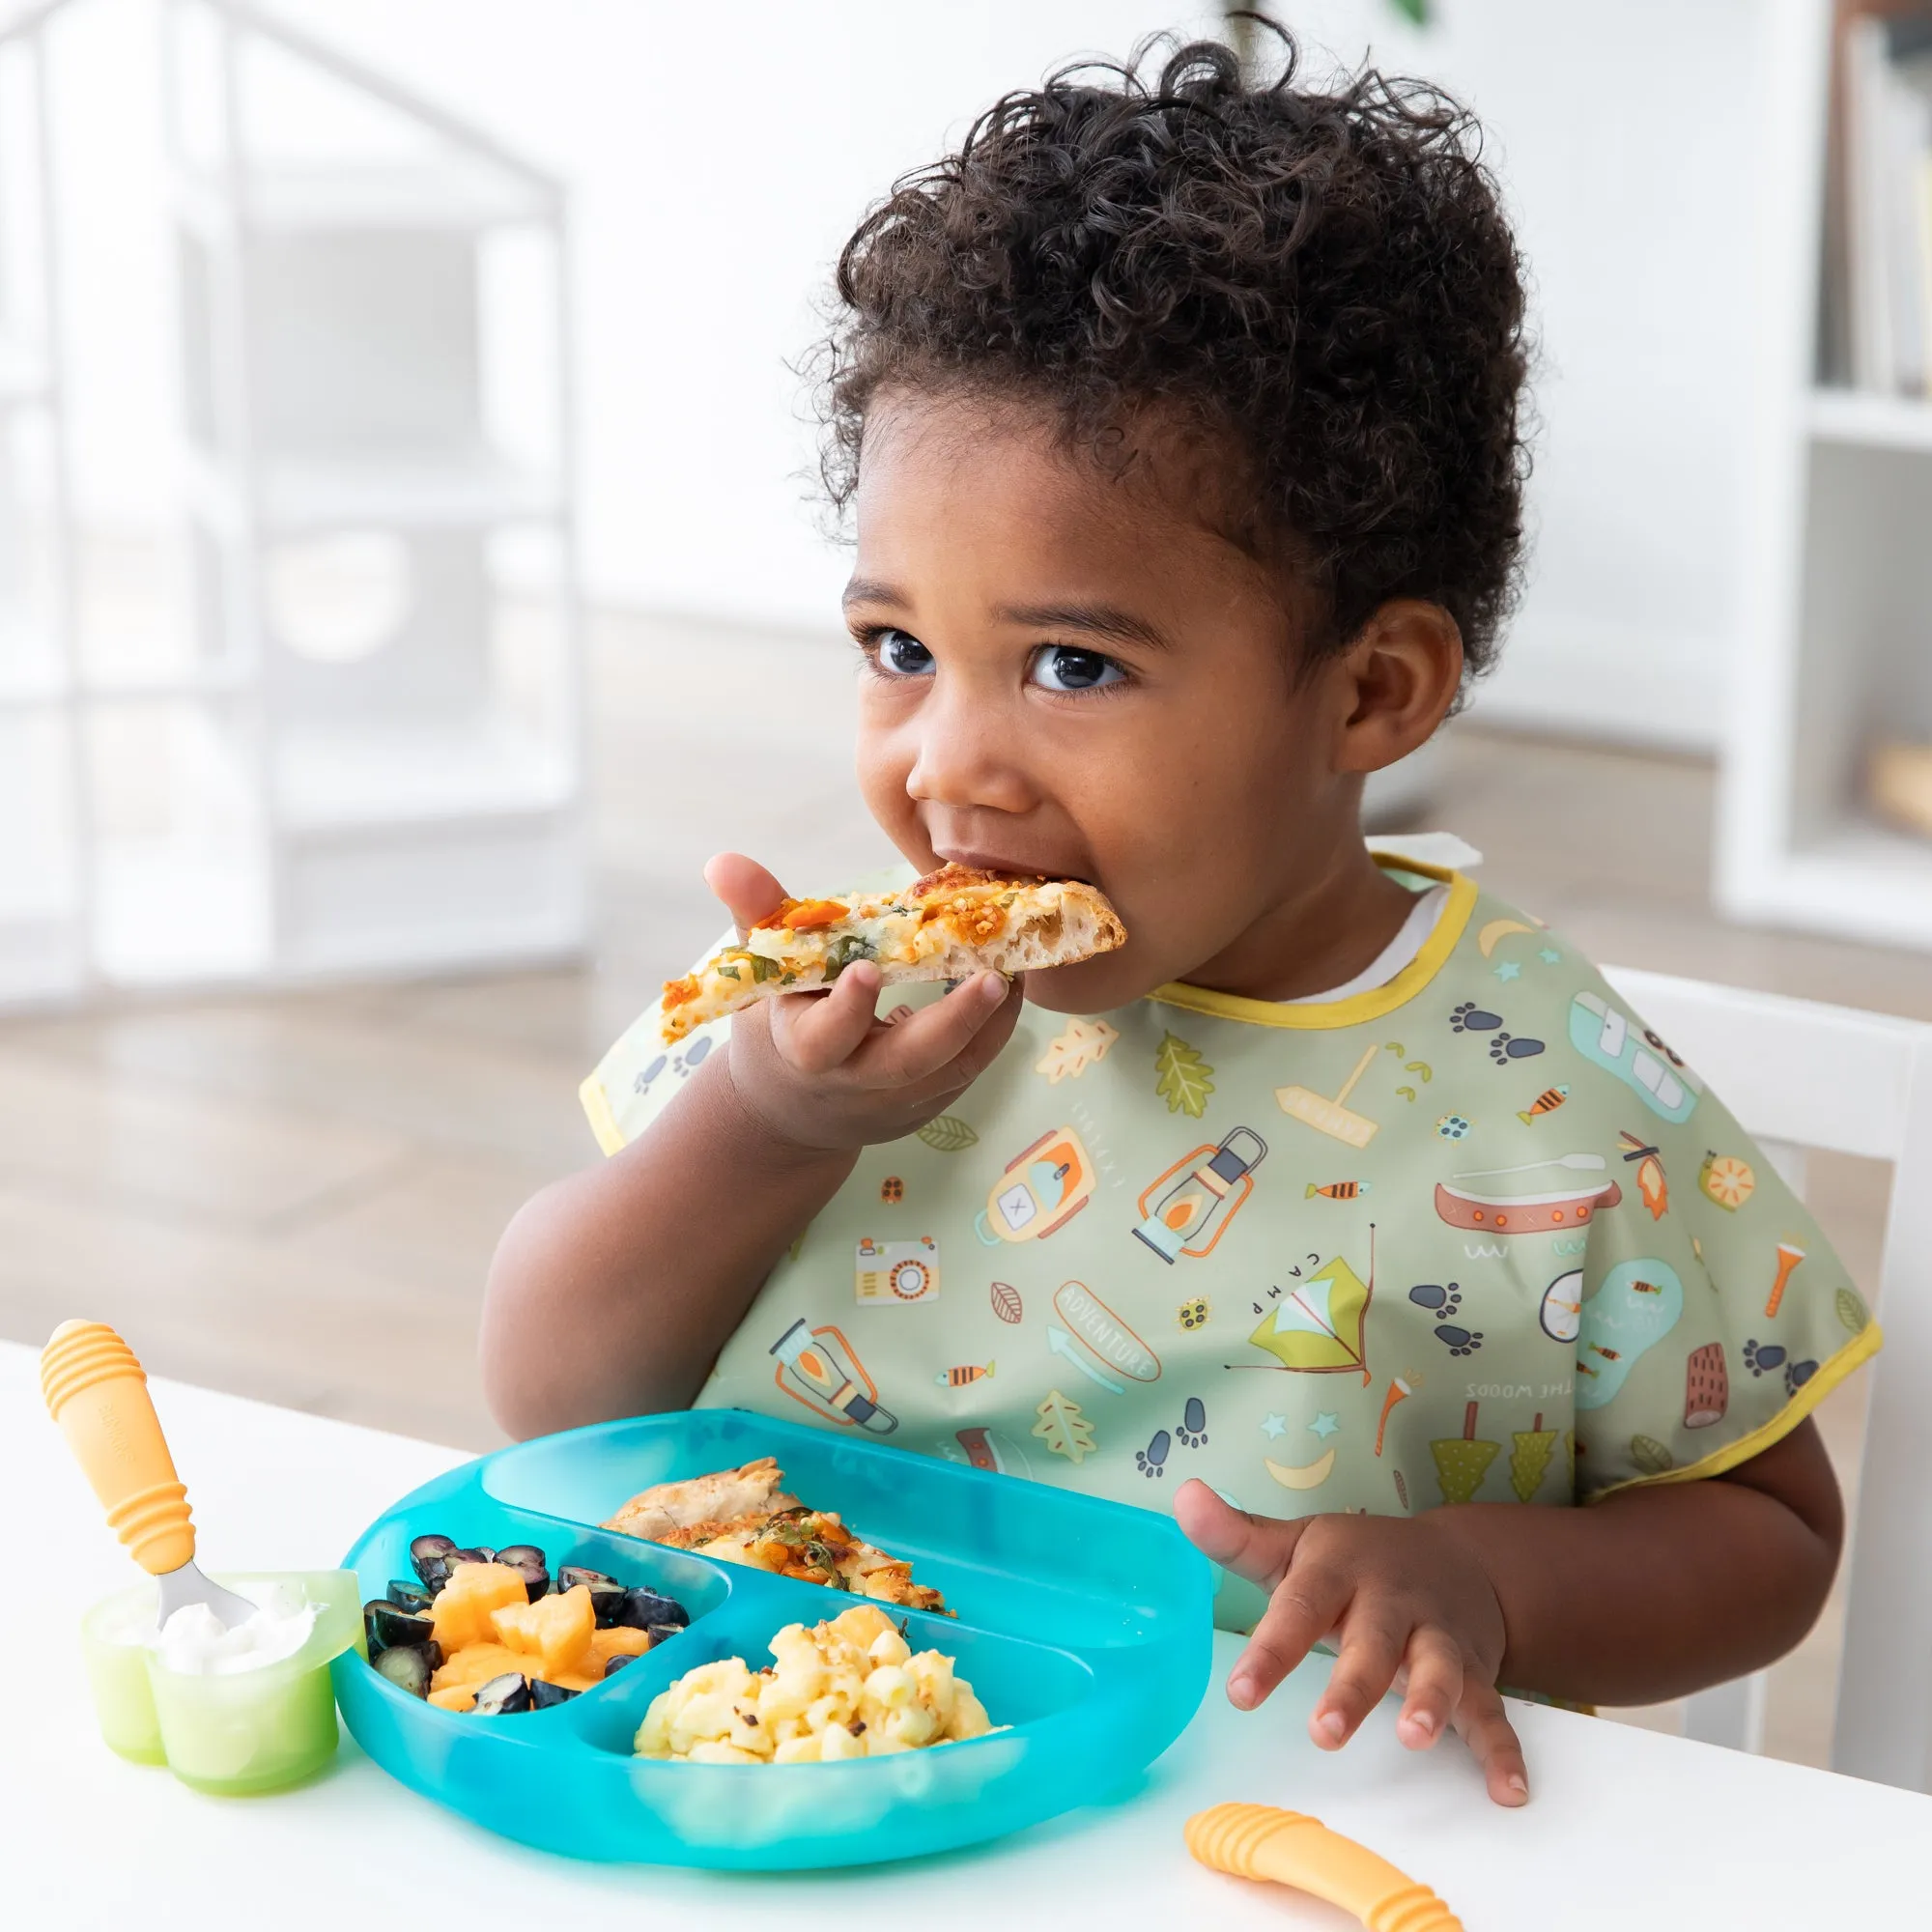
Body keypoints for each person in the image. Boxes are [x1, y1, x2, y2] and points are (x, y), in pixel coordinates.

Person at [482, 29, 1876, 1805]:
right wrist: (760, 1126)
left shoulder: (1549, 1105)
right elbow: (550, 1390)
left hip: (1279, 1825)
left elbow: (1771, 1541)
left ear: (1371, 693)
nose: (951, 768)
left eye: (1073, 665)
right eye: (899, 650)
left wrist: (1490, 1583)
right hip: (783, 1780)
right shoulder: (822, 1028)